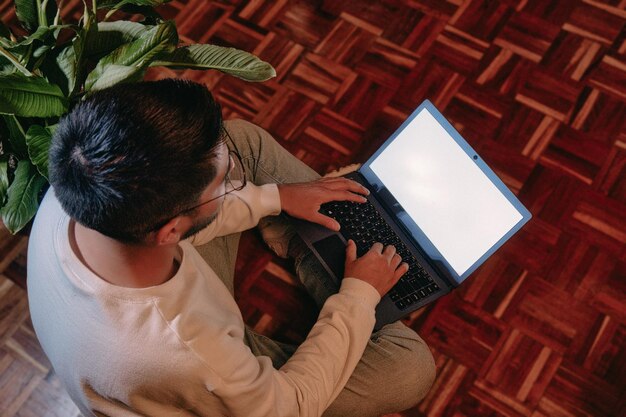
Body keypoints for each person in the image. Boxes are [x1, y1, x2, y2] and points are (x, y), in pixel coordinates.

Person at [27, 79, 435, 417]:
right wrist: (358, 296)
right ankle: (337, 267)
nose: (233, 180)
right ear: (171, 231)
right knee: (410, 368)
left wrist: (277, 197)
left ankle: (306, 242)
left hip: (130, 315)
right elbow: (290, 406)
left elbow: (186, 216)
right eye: (225, 184)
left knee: (238, 141)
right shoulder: (195, 351)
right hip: (198, 383)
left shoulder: (79, 181)